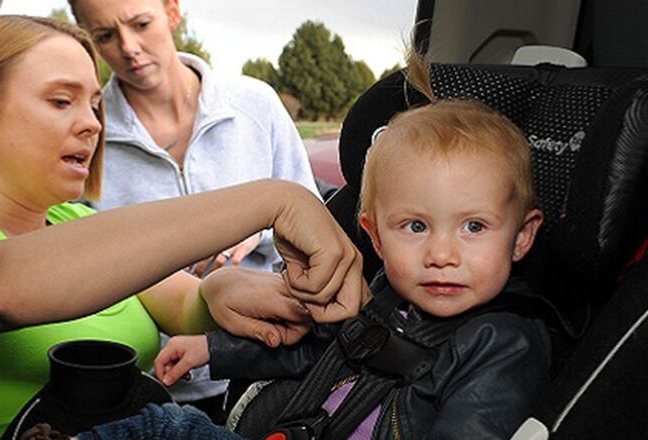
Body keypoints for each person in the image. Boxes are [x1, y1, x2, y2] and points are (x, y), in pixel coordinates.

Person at [0, 15, 364, 440]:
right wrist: (271, 200)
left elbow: (185, 301)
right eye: (61, 101)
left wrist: (220, 291)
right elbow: (1, 287)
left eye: (95, 105)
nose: (92, 125)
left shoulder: (77, 222)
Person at [154, 49, 552, 439]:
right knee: (159, 423)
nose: (441, 256)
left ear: (521, 237)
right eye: (416, 227)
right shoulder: (382, 297)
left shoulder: (502, 345)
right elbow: (313, 352)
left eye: (474, 227)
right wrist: (214, 349)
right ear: (375, 237)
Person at [65, 0, 321, 419]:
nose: (128, 48)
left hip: (268, 372)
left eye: (141, 24)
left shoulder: (256, 105)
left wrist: (258, 225)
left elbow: (312, 233)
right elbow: (78, 268)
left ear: (172, 10)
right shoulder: (85, 137)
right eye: (105, 36)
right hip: (148, 389)